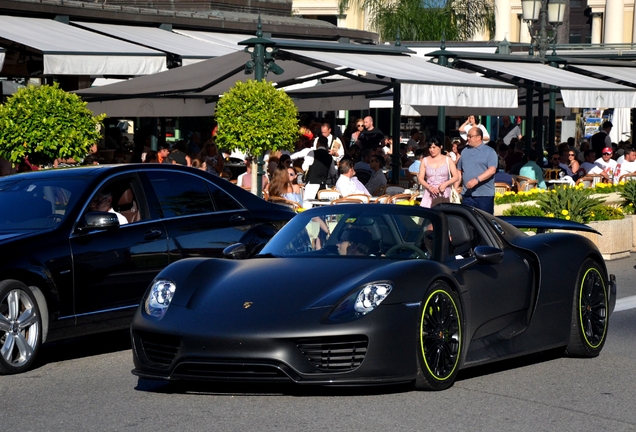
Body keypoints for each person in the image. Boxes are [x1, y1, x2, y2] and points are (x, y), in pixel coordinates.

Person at [457, 127, 498, 213]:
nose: (467, 138)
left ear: (478, 137)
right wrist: (455, 187)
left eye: (470, 136)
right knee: (467, 223)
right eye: (467, 136)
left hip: (484, 195)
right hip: (467, 195)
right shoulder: (464, 151)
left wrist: (477, 180)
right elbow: (459, 170)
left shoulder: (490, 152)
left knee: (484, 223)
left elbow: (492, 170)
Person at [417, 138, 459, 208]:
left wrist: (445, 184)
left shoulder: (448, 160)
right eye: (430, 147)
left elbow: (456, 176)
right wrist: (429, 187)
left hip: (444, 193)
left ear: (440, 147)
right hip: (429, 193)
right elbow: (420, 178)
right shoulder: (425, 160)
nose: (432, 150)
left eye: (434, 147)